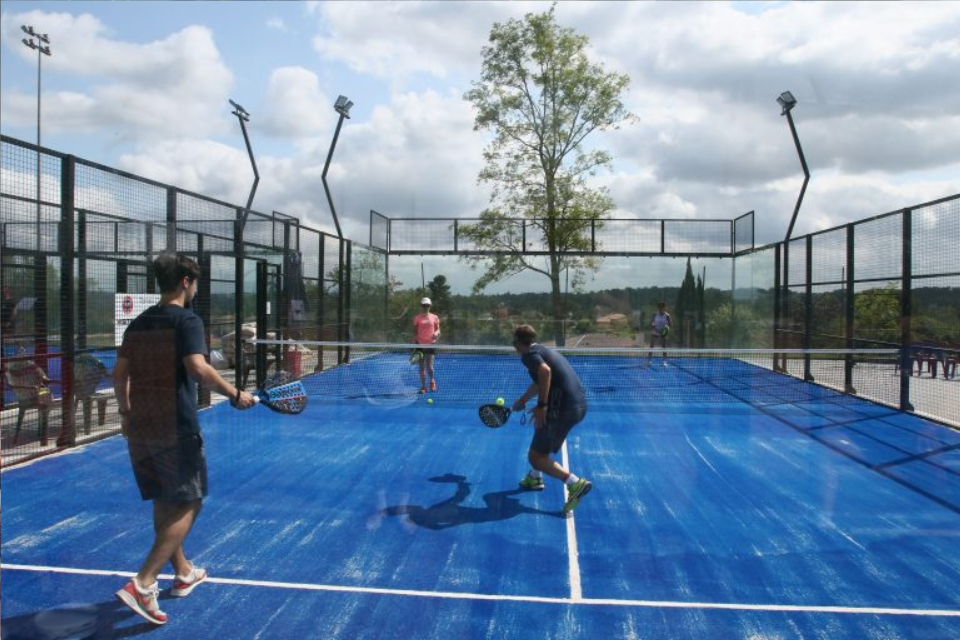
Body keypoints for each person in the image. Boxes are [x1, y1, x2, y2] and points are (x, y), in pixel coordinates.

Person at [112, 253, 256, 625]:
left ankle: (184, 572)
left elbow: (119, 375)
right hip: (175, 425)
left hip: (141, 426)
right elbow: (197, 368)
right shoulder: (187, 320)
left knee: (165, 498)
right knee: (190, 502)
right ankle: (143, 584)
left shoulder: (139, 324)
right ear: (186, 283)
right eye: (196, 283)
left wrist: (126, 415)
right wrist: (235, 393)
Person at [510, 324, 591, 513]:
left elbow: (545, 372)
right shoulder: (543, 349)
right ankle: (535, 477)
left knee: (536, 456)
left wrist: (542, 406)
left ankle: (575, 483)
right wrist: (522, 401)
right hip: (577, 405)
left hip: (562, 408)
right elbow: (541, 381)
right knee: (540, 431)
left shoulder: (529, 355)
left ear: (517, 342)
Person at [412, 297, 440, 393]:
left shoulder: (435, 317)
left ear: (430, 306)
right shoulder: (417, 318)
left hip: (431, 345)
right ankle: (423, 386)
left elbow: (438, 330)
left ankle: (432, 381)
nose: (425, 307)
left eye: (427, 305)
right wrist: (414, 344)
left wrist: (436, 333)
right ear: (421, 306)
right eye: (424, 305)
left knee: (430, 366)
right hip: (420, 345)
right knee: (421, 367)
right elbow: (415, 332)